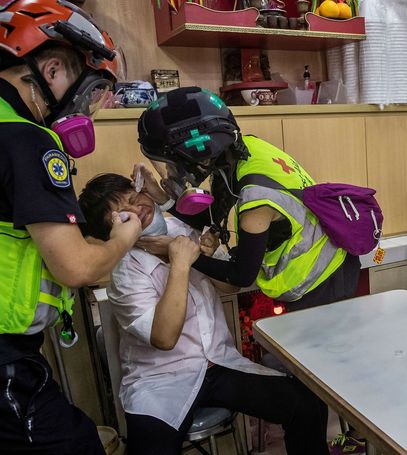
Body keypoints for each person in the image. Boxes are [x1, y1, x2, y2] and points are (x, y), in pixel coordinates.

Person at [78, 173, 331, 455]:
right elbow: (163, 337)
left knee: (306, 404)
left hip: (219, 364)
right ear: (114, 232)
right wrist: (181, 264)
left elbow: (231, 285)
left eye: (135, 197)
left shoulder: (180, 227)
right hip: (160, 381)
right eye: (125, 214)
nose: (139, 209)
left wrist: (206, 257)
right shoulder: (124, 272)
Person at [0, 2, 141, 453]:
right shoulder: (28, 139)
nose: (87, 110)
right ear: (53, 69)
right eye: (88, 93)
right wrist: (123, 238)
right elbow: (76, 268)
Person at [133, 86, 360, 312]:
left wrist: (180, 253)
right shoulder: (243, 151)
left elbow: (241, 275)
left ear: (200, 153)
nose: (171, 172)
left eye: (171, 164)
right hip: (331, 263)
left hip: (320, 280)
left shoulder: (256, 200)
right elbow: (213, 216)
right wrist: (163, 198)